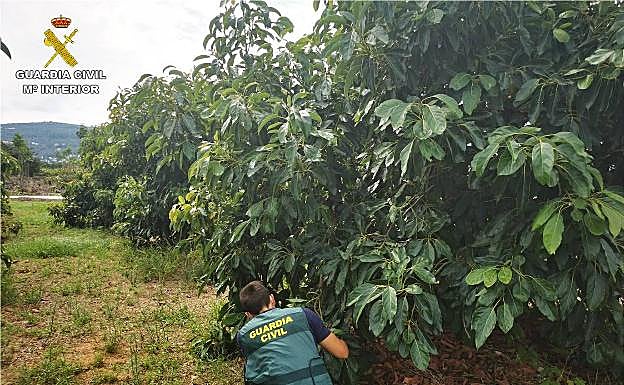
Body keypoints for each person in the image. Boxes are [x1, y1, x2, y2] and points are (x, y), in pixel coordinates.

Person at [237, 281, 349, 385]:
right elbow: (342, 352)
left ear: (248, 315)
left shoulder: (244, 335)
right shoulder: (303, 315)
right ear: (272, 299)